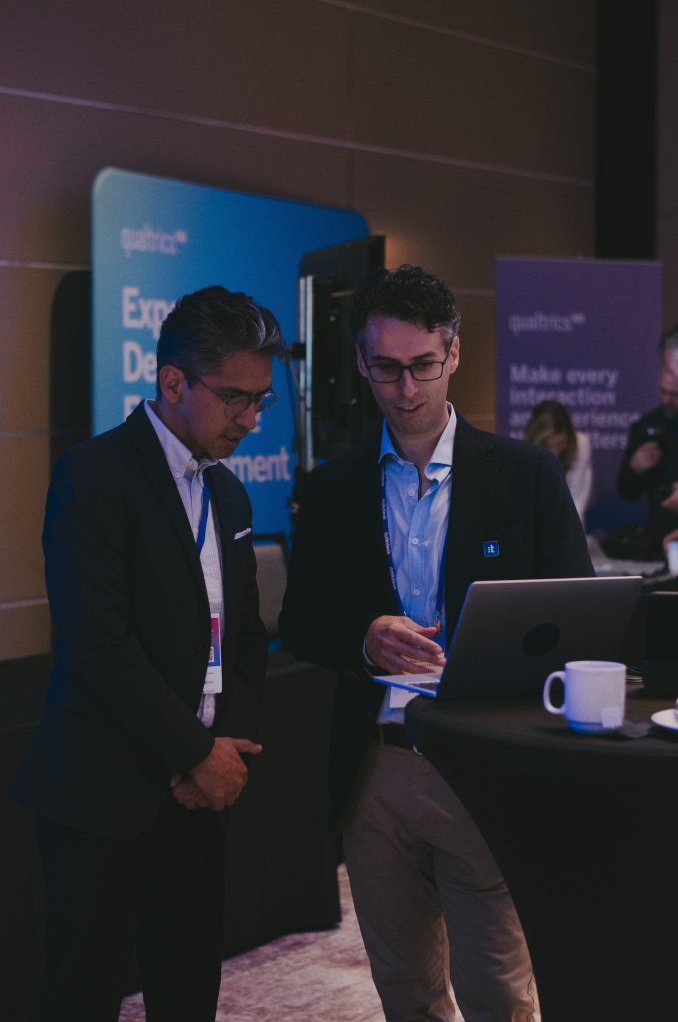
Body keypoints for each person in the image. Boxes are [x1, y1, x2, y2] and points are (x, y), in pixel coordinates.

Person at [279, 264, 593, 1022]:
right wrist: (363, 637)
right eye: (386, 368)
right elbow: (299, 621)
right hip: (375, 766)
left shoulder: (524, 475)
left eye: (422, 365)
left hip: (481, 761)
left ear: (454, 353)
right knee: (407, 992)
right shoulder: (332, 487)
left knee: (500, 994)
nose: (405, 388)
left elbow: (578, 615)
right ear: (361, 363)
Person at [10, 285, 285, 1022]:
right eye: (235, 399)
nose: (252, 420)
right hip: (104, 793)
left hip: (201, 795)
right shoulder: (94, 475)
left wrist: (227, 754)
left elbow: (247, 639)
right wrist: (194, 752)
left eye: (261, 400)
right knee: (82, 994)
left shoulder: (230, 496)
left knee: (189, 990)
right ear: (172, 382)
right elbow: (98, 644)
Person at [617, 324, 678, 543]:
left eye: (675, 394)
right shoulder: (648, 426)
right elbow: (627, 491)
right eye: (663, 391)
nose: (667, 400)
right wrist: (635, 467)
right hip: (660, 541)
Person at [523, 399, 592, 522]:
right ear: (536, 440)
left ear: (570, 438)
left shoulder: (580, 445)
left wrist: (573, 533)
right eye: (547, 445)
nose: (555, 453)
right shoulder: (523, 452)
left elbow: (576, 502)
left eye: (561, 444)